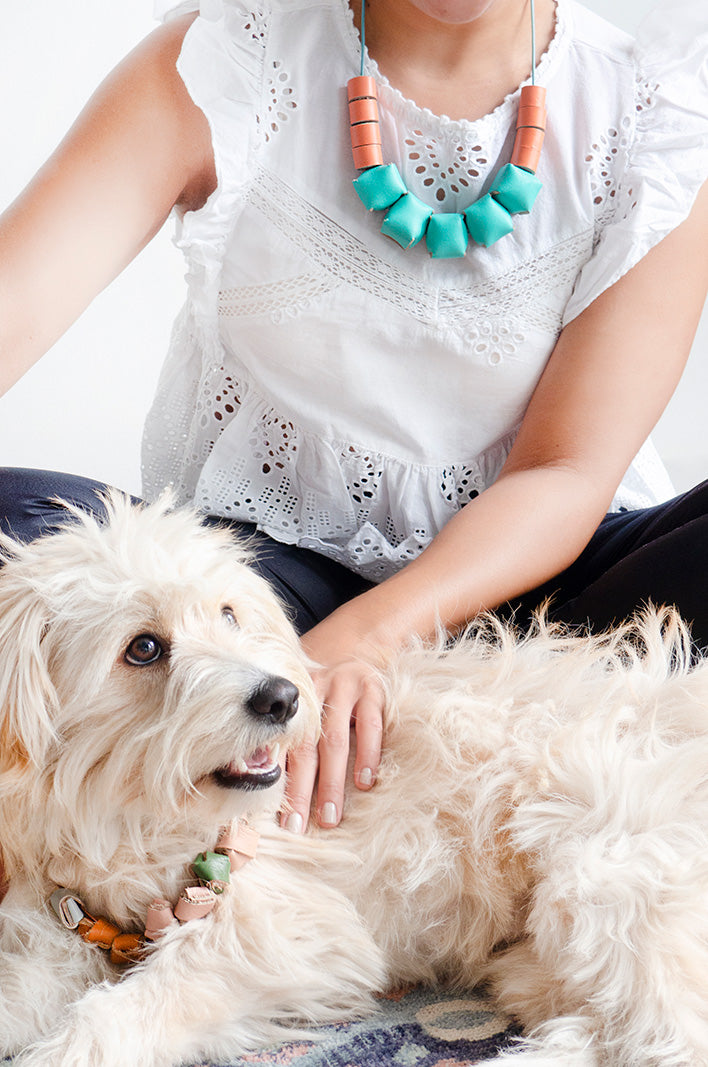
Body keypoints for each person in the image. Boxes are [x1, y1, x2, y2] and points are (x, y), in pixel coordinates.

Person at [1, 0, 707, 843]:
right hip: (267, 584)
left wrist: (366, 639)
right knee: (23, 544)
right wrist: (293, 648)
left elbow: (566, 470)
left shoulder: (653, 117)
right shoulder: (224, 65)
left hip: (547, 590)